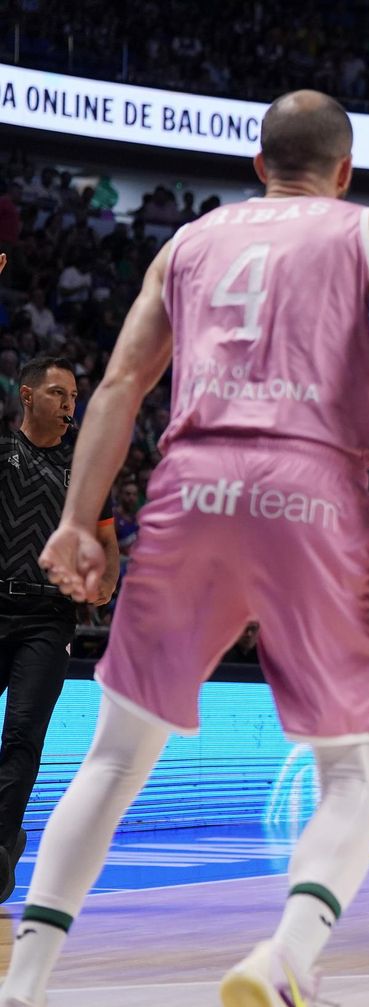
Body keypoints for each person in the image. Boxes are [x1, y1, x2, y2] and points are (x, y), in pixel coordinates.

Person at [5, 91, 369, 1007]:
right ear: (345, 171)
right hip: (312, 490)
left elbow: (122, 380)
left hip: (191, 485)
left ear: (258, 165)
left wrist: (77, 518)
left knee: (116, 756)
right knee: (353, 769)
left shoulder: (190, 243)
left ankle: (26, 981)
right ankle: (286, 953)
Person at [0, 355, 121, 903]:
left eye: (74, 397)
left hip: (48, 620)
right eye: (57, 394)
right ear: (27, 396)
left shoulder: (84, 471)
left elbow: (109, 544)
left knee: (23, 735)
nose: (69, 405)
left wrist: (107, 580)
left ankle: (0, 846)